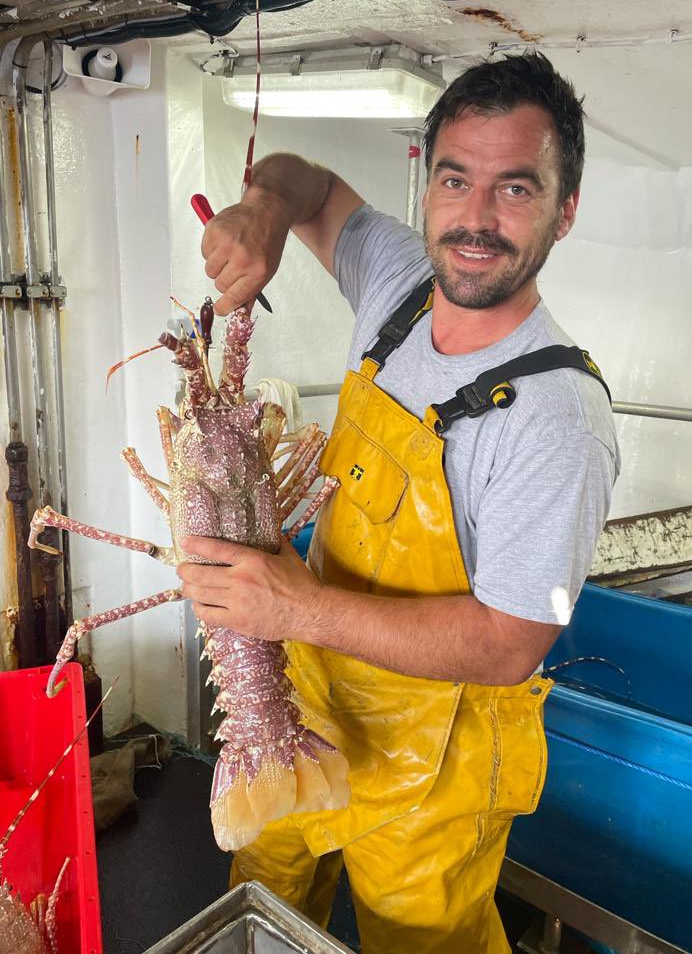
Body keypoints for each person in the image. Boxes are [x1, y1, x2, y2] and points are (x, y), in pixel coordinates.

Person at [177, 51, 619, 954]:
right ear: (427, 182)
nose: (476, 219)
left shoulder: (556, 417)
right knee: (264, 899)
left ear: (564, 210)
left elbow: (507, 645)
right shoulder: (396, 283)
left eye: (516, 189)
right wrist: (264, 210)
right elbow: (312, 184)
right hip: (302, 702)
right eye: (456, 179)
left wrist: (291, 604)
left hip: (435, 765)